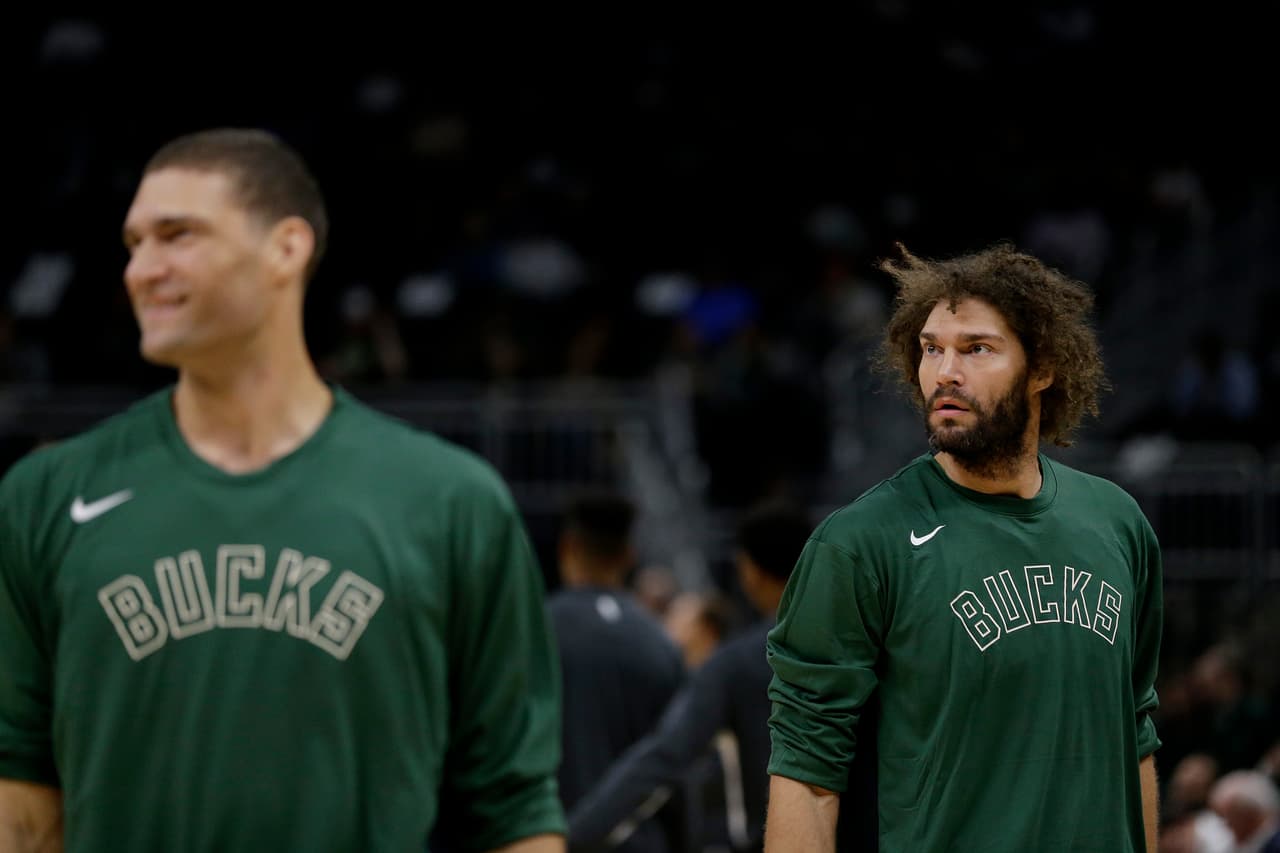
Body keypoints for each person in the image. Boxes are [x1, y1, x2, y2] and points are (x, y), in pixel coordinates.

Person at [0, 128, 566, 852]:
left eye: (177, 236)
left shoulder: (452, 501)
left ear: (286, 248)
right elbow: (21, 795)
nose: (142, 270)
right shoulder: (47, 496)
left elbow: (514, 807)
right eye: (134, 244)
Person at [765, 243, 1164, 852]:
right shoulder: (860, 543)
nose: (945, 372)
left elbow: (1135, 736)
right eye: (932, 349)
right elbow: (806, 774)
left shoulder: (1118, 523)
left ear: (1043, 368)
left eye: (976, 348)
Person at [568, 501, 815, 852]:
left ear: (750, 572)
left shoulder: (736, 663)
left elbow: (665, 757)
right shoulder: (861, 648)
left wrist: (572, 837)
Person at [547, 490, 684, 852]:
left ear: (567, 547)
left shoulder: (532, 628)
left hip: (550, 838)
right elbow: (680, 762)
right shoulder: (662, 642)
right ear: (628, 555)